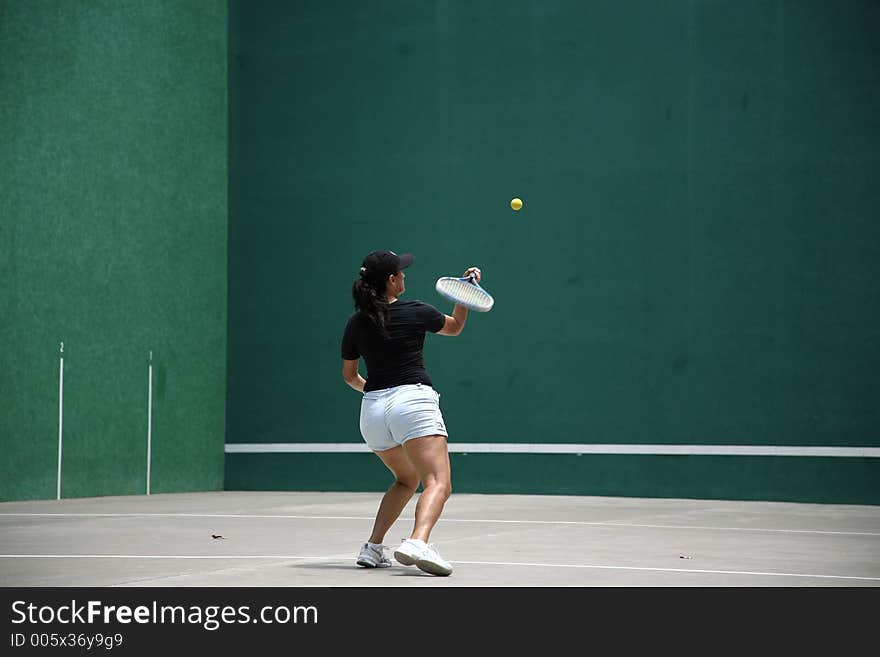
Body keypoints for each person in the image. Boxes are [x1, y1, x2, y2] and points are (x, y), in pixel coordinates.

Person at [341, 249, 481, 577]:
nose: (405, 276)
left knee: (406, 479)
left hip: (372, 413)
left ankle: (373, 548)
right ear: (391, 281)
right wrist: (465, 291)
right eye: (400, 273)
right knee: (438, 482)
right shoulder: (417, 311)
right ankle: (418, 541)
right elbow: (456, 326)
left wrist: (380, 394)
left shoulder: (355, 322)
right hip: (412, 403)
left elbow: (350, 377)